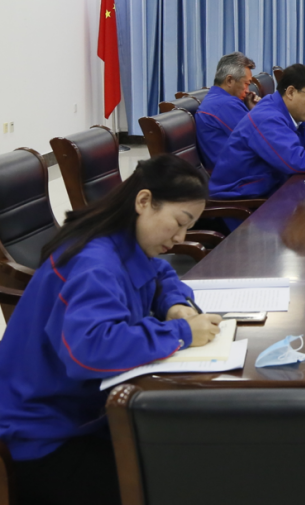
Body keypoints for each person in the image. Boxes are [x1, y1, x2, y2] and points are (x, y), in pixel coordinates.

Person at [0, 154, 225, 505]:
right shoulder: (94, 262)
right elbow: (91, 350)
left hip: (84, 414)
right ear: (144, 201)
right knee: (178, 483)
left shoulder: (124, 239)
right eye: (180, 222)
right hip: (42, 438)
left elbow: (160, 273)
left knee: (193, 457)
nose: (180, 236)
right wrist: (181, 333)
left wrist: (174, 304)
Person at [209, 64, 305, 199]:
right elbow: (294, 161)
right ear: (291, 92)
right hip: (242, 199)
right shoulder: (267, 118)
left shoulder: (288, 111)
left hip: (270, 187)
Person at [195, 52, 258, 171]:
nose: (247, 91)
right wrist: (257, 110)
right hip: (240, 176)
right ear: (229, 80)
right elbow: (262, 138)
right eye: (246, 84)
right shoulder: (225, 104)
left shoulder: (216, 100)